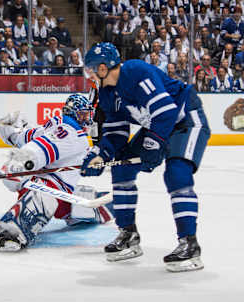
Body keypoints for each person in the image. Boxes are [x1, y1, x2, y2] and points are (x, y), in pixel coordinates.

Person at [82, 42, 210, 272]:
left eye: (91, 70)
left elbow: (166, 111)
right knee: (121, 169)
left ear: (102, 68)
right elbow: (115, 131)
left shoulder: (135, 71)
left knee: (177, 172)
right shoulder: (107, 93)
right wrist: (101, 154)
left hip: (185, 120)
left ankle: (189, 243)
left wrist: (153, 144)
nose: (90, 76)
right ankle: (128, 233)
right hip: (157, 126)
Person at [0, 94, 115, 251]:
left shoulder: (54, 127)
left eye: (88, 115)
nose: (87, 119)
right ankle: (10, 232)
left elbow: (26, 137)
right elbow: (42, 148)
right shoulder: (70, 130)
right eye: (83, 114)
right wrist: (19, 163)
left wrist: (12, 131)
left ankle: (93, 209)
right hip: (46, 188)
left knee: (83, 204)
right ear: (72, 113)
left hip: (62, 193)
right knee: (44, 195)